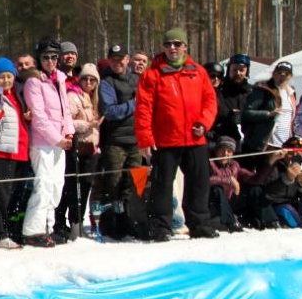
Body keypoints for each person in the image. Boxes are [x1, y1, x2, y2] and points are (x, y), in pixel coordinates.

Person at [135, 28, 219, 240]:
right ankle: (160, 227)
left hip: (195, 138)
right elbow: (143, 109)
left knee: (199, 184)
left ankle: (199, 224)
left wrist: (204, 123)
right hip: (165, 141)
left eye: (176, 44)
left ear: (185, 46)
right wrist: (145, 139)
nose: (172, 48)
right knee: (162, 186)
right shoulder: (152, 75)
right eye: (168, 44)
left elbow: (210, 101)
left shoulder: (198, 72)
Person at [21, 39, 74, 247]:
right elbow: (39, 116)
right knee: (43, 185)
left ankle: (48, 227)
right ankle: (33, 230)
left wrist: (68, 133)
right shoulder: (34, 82)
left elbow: (65, 110)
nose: (50, 61)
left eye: (54, 57)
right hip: (43, 142)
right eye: (46, 57)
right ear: (39, 59)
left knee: (56, 186)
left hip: (60, 142)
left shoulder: (59, 79)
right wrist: (57, 139)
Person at [0, 57, 28, 249]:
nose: (6, 80)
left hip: (18, 151)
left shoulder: (17, 95)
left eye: (9, 76)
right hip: (0, 151)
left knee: (6, 196)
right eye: (1, 77)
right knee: (0, 195)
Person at [54, 62, 102, 241]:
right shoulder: (74, 96)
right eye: (85, 79)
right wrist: (88, 125)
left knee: (86, 186)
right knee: (73, 187)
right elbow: (68, 121)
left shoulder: (94, 98)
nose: (89, 82)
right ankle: (70, 222)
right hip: (77, 148)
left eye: (92, 80)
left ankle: (78, 221)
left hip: (91, 148)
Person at [96, 44, 141, 214]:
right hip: (115, 141)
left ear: (127, 60)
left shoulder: (137, 79)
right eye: (113, 59)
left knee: (134, 182)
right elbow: (110, 111)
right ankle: (111, 222)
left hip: (136, 140)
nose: (117, 63)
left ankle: (131, 219)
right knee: (113, 183)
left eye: (120, 59)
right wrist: (133, 104)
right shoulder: (106, 82)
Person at [213, 54, 251, 147]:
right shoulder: (219, 89)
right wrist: (229, 114)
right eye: (234, 69)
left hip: (244, 139)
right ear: (229, 69)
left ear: (246, 72)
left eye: (241, 70)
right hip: (221, 139)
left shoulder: (250, 91)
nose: (238, 73)